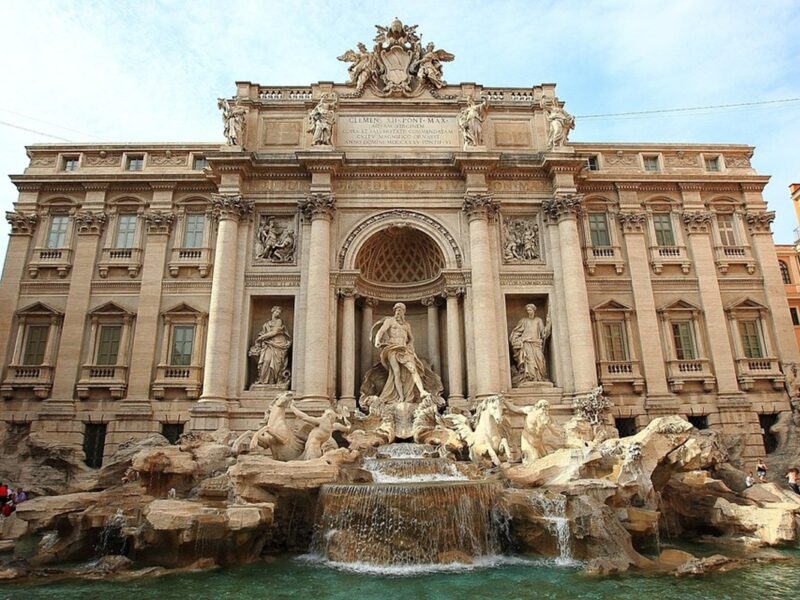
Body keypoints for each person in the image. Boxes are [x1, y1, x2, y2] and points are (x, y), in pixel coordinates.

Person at [372, 303, 429, 405]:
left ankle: (422, 391)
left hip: (404, 349)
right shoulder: (389, 321)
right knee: (396, 372)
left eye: (400, 310)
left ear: (404, 312)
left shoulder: (406, 325)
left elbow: (411, 338)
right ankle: (401, 397)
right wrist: (377, 340)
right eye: (396, 310)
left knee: (413, 369)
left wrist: (410, 345)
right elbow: (381, 331)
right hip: (392, 348)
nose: (398, 312)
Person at [509, 303, 552, 385]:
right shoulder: (523, 321)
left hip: (536, 343)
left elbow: (543, 334)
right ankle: (530, 378)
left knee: (540, 360)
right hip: (526, 343)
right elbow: (516, 332)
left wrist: (548, 324)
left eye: (530, 310)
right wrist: (518, 340)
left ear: (534, 310)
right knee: (530, 361)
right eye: (528, 310)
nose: (529, 312)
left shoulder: (538, 320)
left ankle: (540, 377)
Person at [249, 307, 292, 385]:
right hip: (268, 344)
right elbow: (263, 333)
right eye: (276, 312)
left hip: (278, 343)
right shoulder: (266, 324)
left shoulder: (279, 321)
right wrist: (261, 338)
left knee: (277, 365)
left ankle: (272, 381)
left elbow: (274, 332)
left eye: (279, 312)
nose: (278, 314)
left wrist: (261, 338)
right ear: (273, 312)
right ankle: (263, 381)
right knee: (267, 360)